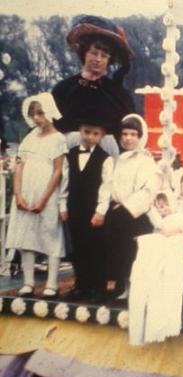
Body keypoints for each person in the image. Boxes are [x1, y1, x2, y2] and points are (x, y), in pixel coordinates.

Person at [128, 165, 183, 345]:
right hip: (168, 241)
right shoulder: (173, 202)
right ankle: (150, 307)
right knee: (150, 248)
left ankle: (166, 316)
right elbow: (161, 225)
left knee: (172, 251)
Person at [6, 93, 66, 297]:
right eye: (33, 114)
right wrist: (18, 194)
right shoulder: (30, 137)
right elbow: (20, 166)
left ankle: (51, 283)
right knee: (26, 237)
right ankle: (28, 282)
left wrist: (43, 200)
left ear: (50, 111)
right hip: (25, 192)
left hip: (45, 195)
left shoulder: (58, 139)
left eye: (40, 113)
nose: (37, 118)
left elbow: (58, 171)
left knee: (50, 235)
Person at [52, 15, 135, 158]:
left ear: (109, 60)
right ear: (84, 54)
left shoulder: (118, 94)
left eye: (104, 56)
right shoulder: (64, 89)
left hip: (108, 157)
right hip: (67, 155)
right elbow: (49, 126)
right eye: (94, 53)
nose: (98, 59)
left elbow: (130, 129)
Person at [101, 114, 161, 300]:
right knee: (119, 252)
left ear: (140, 136)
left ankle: (136, 289)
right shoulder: (113, 161)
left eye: (133, 134)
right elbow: (107, 185)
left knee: (134, 254)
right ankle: (123, 286)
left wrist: (128, 208)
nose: (128, 138)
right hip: (116, 212)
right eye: (125, 134)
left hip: (136, 215)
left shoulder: (146, 162)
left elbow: (148, 190)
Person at [62, 115, 114, 301]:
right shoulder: (71, 154)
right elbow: (65, 183)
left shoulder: (105, 159)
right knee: (78, 247)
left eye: (95, 133)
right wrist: (63, 205)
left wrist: (100, 211)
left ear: (102, 136)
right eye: (86, 132)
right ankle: (81, 284)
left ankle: (97, 287)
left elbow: (106, 187)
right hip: (75, 208)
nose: (90, 137)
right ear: (80, 131)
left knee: (95, 248)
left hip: (93, 210)